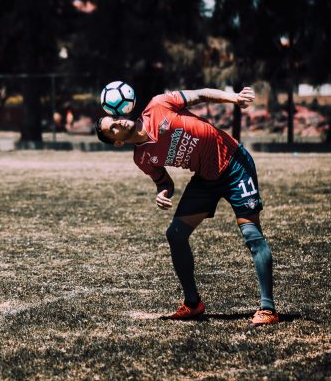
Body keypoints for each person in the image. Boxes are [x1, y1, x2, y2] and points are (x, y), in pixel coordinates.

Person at [95, 87, 278, 325]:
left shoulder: (158, 105)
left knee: (252, 235)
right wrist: (162, 192)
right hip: (205, 179)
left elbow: (200, 94)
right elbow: (164, 181)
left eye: (115, 119)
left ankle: (268, 309)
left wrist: (233, 98)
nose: (118, 123)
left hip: (235, 164)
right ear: (118, 141)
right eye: (113, 128)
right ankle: (193, 304)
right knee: (175, 234)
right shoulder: (142, 158)